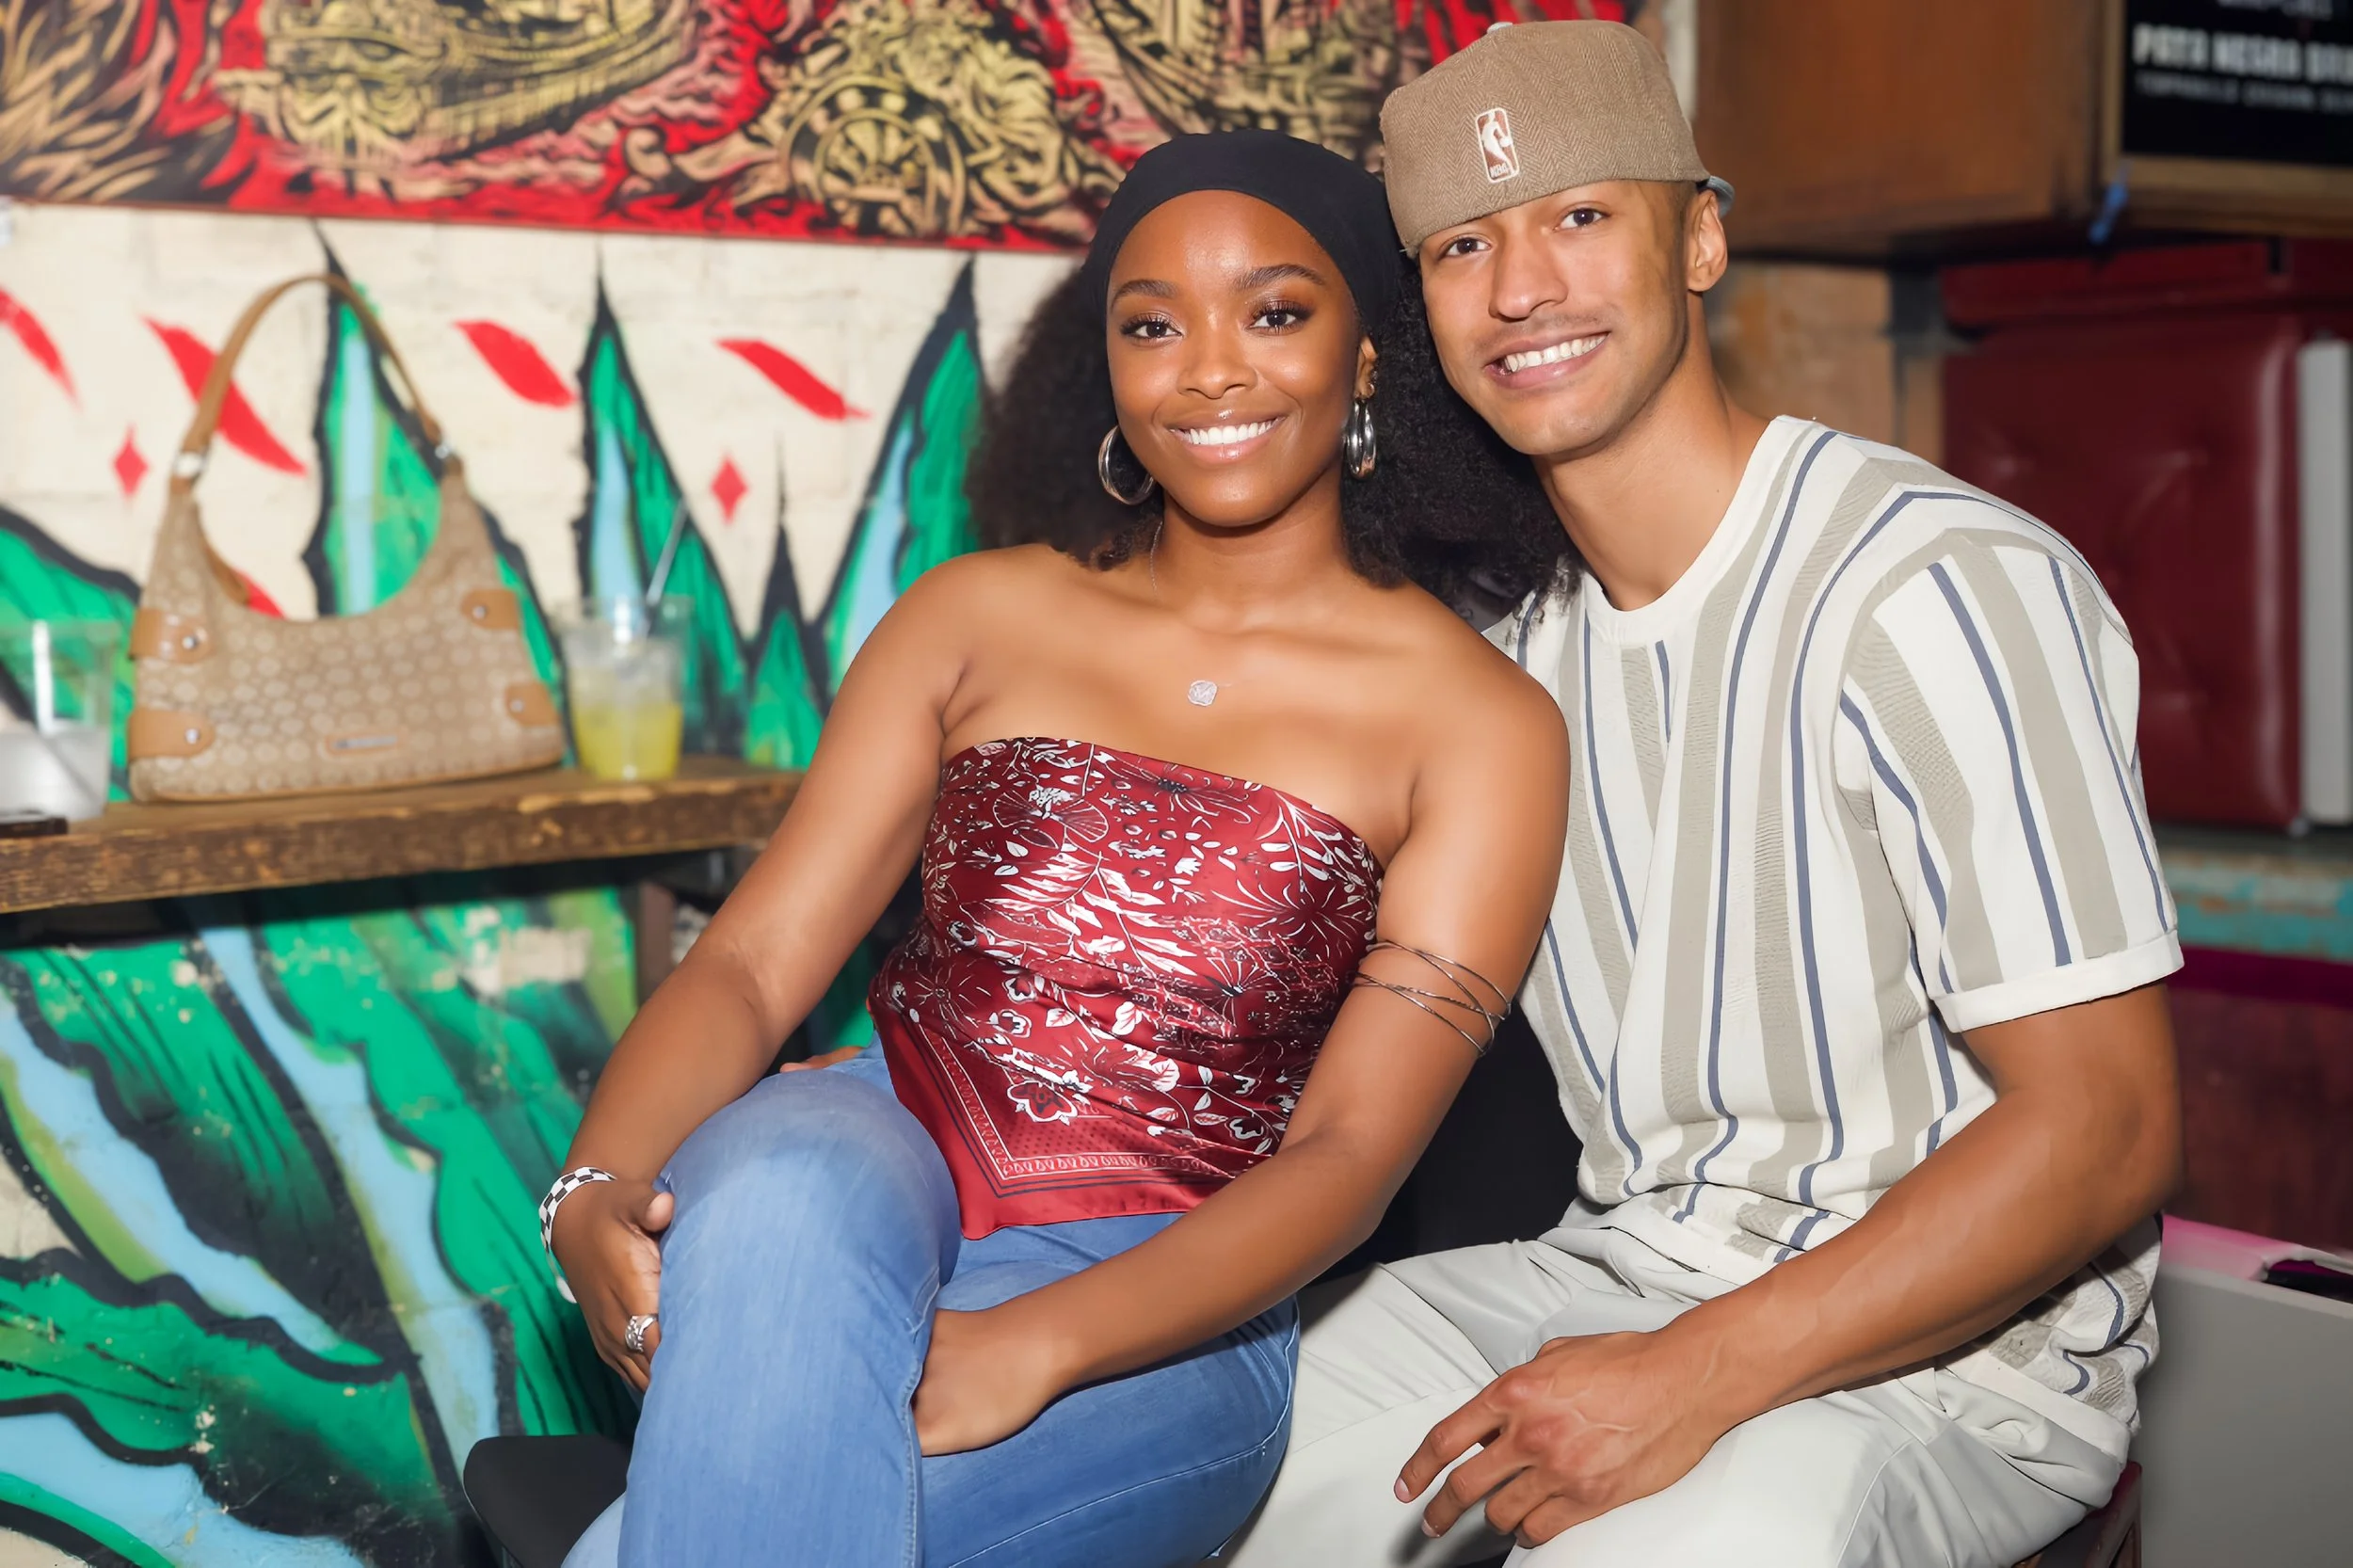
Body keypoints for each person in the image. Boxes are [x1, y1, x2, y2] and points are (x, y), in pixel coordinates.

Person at [1221, 22, 2185, 1568]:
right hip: (1617, 1271)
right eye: (1466, 245)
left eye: (1580, 216)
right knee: (1207, 1452)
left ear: (1702, 239)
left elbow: (2108, 1125)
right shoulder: (1504, 654)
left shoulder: (1934, 587)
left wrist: (1694, 1375)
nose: (1522, 285)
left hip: (1958, 1365)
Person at [545, 130, 1574, 1568]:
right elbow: (757, 956)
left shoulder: (1482, 724)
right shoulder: (974, 615)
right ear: (1106, 366)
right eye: (1153, 324)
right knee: (774, 1192)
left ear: (1366, 356)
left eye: (1275, 312)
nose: (1211, 369)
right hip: (868, 1139)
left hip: (1168, 1288)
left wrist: (1040, 1341)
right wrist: (593, 1183)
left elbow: (1347, 1155)